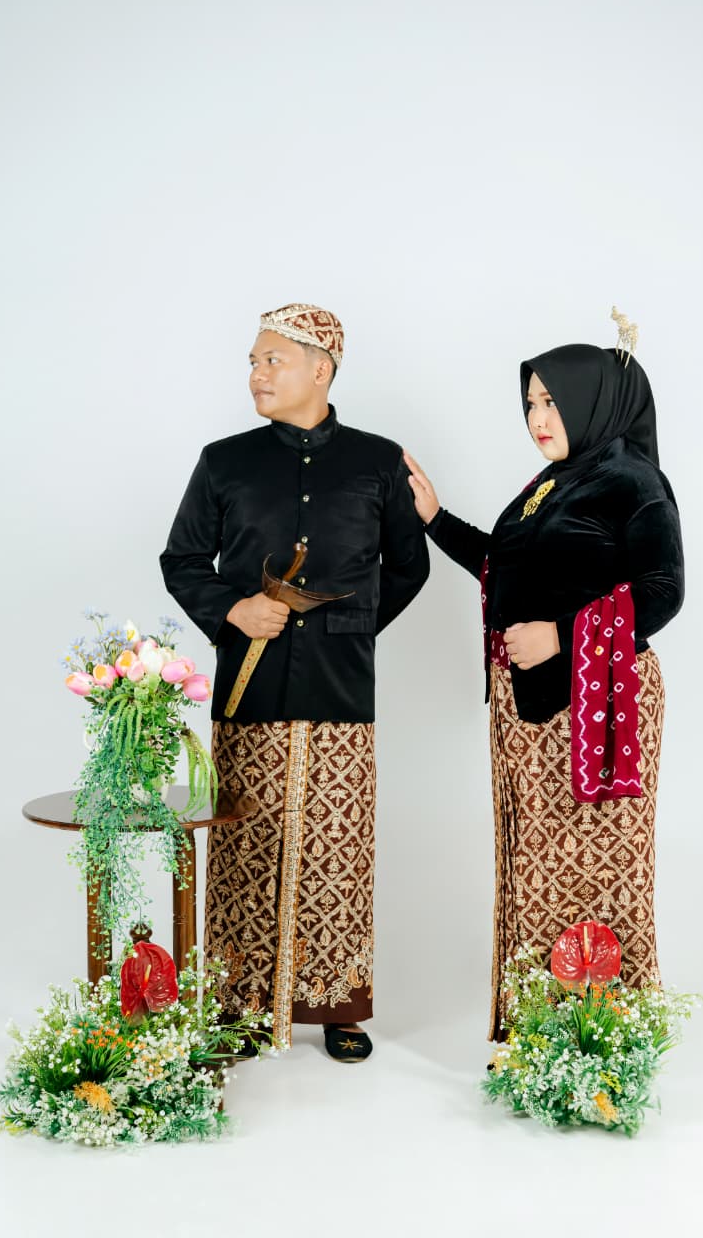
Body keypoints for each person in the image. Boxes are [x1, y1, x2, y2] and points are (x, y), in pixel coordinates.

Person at [161, 303, 429, 1061]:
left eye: (271, 360)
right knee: (246, 845)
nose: (256, 374)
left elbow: (407, 566)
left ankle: (335, 1002)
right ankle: (239, 1005)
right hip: (250, 687)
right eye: (253, 361)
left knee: (336, 850)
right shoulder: (224, 461)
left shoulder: (378, 460)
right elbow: (182, 560)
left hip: (342, 692)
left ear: (321, 367)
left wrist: (351, 629)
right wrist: (234, 609)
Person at [405, 321, 683, 1039]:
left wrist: (559, 635)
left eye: (552, 401)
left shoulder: (632, 481)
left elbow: (663, 590)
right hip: (529, 712)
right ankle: (535, 1032)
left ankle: (601, 1040)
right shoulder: (551, 485)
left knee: (596, 867)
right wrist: (435, 519)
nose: (537, 417)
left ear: (592, 401)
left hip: (596, 705)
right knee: (534, 863)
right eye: (530, 403)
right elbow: (505, 566)